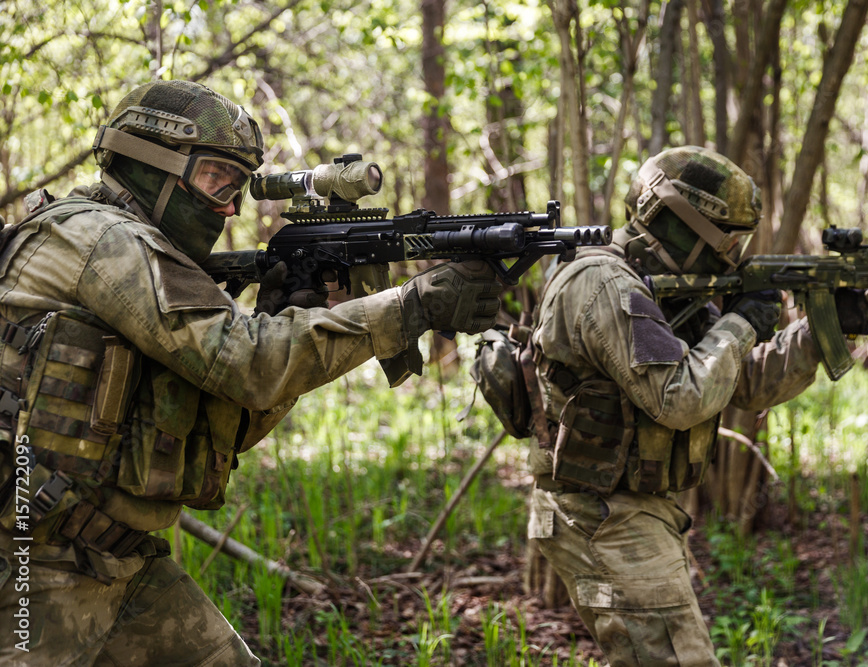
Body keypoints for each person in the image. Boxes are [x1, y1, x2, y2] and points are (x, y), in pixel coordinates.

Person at [0, 80, 501, 665]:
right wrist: (407, 307)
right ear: (150, 163)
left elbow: (227, 420)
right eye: (216, 179)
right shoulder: (101, 238)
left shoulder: (131, 248)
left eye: (237, 186)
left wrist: (290, 314)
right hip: (32, 569)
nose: (231, 206)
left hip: (115, 560)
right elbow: (243, 362)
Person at [524, 146, 827, 666]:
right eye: (726, 237)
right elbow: (680, 397)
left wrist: (822, 332)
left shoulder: (658, 287)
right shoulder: (604, 284)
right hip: (602, 516)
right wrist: (740, 323)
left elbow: (741, 382)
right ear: (674, 221)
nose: (732, 253)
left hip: (630, 511)